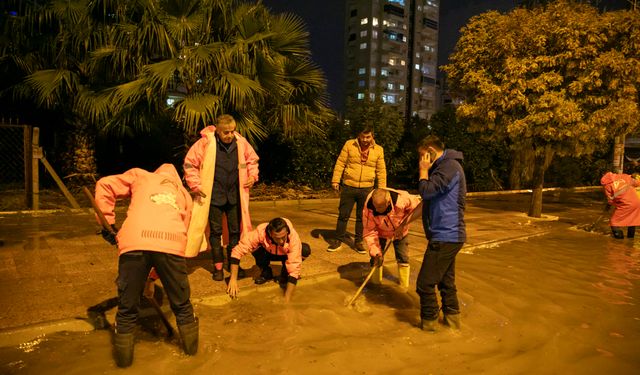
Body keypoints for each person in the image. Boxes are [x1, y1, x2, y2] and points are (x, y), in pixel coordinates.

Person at [94, 164, 198, 367]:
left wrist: (106, 222)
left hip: (134, 241)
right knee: (183, 306)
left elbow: (104, 185)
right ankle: (193, 356)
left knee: (126, 308)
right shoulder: (184, 194)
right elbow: (180, 239)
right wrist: (153, 277)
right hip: (171, 243)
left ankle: (123, 365)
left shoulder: (140, 175)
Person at [184, 114, 259, 281]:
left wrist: (253, 176)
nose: (230, 135)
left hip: (234, 197)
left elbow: (252, 160)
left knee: (234, 232)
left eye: (232, 131)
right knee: (215, 233)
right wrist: (196, 185)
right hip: (213, 197)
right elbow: (190, 164)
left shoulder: (241, 142)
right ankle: (218, 267)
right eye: (226, 132)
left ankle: (234, 265)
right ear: (217, 130)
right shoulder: (205, 143)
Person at [415, 135, 466, 332]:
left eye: (422, 155)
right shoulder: (445, 167)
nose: (421, 160)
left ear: (430, 152)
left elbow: (427, 191)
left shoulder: (448, 167)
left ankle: (429, 329)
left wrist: (423, 171)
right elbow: (428, 201)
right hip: (448, 235)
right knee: (446, 283)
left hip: (446, 235)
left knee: (424, 285)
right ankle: (453, 326)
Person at [329, 124, 386, 254]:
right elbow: (340, 163)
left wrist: (382, 189)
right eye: (363, 137)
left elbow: (381, 170)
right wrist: (335, 180)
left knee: (362, 217)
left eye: (368, 137)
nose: (365, 140)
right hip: (349, 186)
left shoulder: (379, 150)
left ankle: (358, 241)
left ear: (372, 136)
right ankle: (338, 240)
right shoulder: (349, 145)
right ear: (358, 136)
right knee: (343, 215)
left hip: (367, 188)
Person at [226, 217, 311, 303]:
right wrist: (233, 279)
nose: (281, 241)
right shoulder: (260, 232)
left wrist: (286, 299)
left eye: (283, 237)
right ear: (270, 233)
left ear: (287, 232)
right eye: (277, 238)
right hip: (268, 253)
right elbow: (237, 251)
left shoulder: (293, 238)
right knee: (254, 247)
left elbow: (294, 269)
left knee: (304, 250)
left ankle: (285, 273)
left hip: (285, 254)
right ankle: (266, 272)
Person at [363, 188, 422, 288]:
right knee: (376, 259)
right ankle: (376, 285)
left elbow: (418, 207)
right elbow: (369, 232)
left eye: (380, 207)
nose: (376, 209)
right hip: (380, 231)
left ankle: (404, 287)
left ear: (388, 202)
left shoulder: (402, 199)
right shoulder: (369, 209)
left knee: (403, 257)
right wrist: (376, 252)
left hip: (400, 231)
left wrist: (403, 225)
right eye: (375, 206)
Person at [600, 171, 640, 238]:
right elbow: (636, 183)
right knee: (632, 220)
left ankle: (619, 241)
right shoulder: (623, 176)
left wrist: (609, 205)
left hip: (626, 204)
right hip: (637, 200)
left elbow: (610, 200)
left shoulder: (607, 185)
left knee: (614, 222)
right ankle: (630, 241)